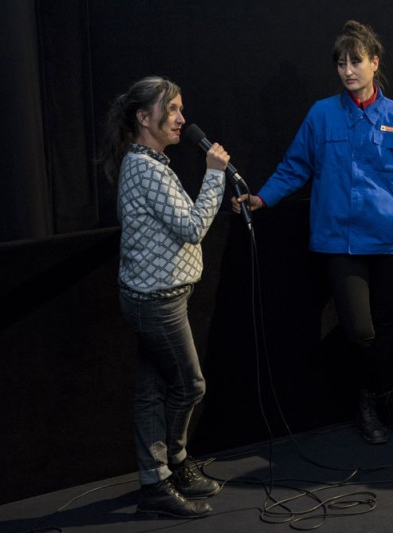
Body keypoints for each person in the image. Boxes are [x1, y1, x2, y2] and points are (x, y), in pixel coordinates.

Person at [233, 20, 393, 445]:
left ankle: (367, 402)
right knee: (360, 329)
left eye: (355, 62)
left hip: (390, 240)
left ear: (374, 62)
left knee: (385, 324)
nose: (347, 71)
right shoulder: (322, 115)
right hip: (340, 241)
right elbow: (295, 166)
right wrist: (263, 197)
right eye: (341, 64)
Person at [99, 76, 230, 517]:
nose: (181, 119)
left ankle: (159, 480)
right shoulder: (145, 168)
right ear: (143, 117)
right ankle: (172, 464)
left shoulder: (149, 164)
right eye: (171, 110)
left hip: (159, 298)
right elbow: (192, 227)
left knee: (152, 391)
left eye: (180, 109)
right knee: (190, 385)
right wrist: (215, 175)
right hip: (156, 303)